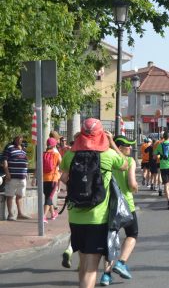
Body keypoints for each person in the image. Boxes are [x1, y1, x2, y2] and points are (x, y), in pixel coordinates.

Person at [59, 118, 128, 288]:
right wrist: (112, 143)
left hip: (75, 217)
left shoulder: (70, 154)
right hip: (97, 218)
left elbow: (63, 178)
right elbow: (125, 164)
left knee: (83, 262)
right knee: (91, 268)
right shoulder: (108, 154)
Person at [100, 135, 139, 286]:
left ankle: (106, 275)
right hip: (127, 205)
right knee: (132, 234)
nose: (130, 148)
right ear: (120, 147)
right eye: (127, 145)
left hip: (109, 206)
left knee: (110, 240)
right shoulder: (129, 161)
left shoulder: (106, 158)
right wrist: (135, 187)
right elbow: (131, 184)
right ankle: (121, 263)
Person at [3, 135, 31, 220]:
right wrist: (7, 173)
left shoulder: (23, 150)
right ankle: (10, 215)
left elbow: (25, 162)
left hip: (22, 177)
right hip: (12, 176)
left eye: (21, 138)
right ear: (14, 139)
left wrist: (26, 174)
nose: (20, 139)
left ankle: (20, 213)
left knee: (20, 196)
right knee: (10, 196)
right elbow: (5, 161)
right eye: (18, 138)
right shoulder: (10, 148)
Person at [153, 132, 169, 210]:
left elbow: (154, 156)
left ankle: (168, 202)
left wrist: (159, 157)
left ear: (163, 137)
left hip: (163, 166)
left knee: (166, 185)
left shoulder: (160, 145)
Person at [42, 137, 62, 223]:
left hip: (44, 179)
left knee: (47, 197)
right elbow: (62, 165)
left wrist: (34, 178)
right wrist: (60, 174)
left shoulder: (43, 154)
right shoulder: (56, 154)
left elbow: (38, 166)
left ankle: (53, 213)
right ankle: (43, 216)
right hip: (53, 178)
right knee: (49, 198)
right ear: (54, 145)